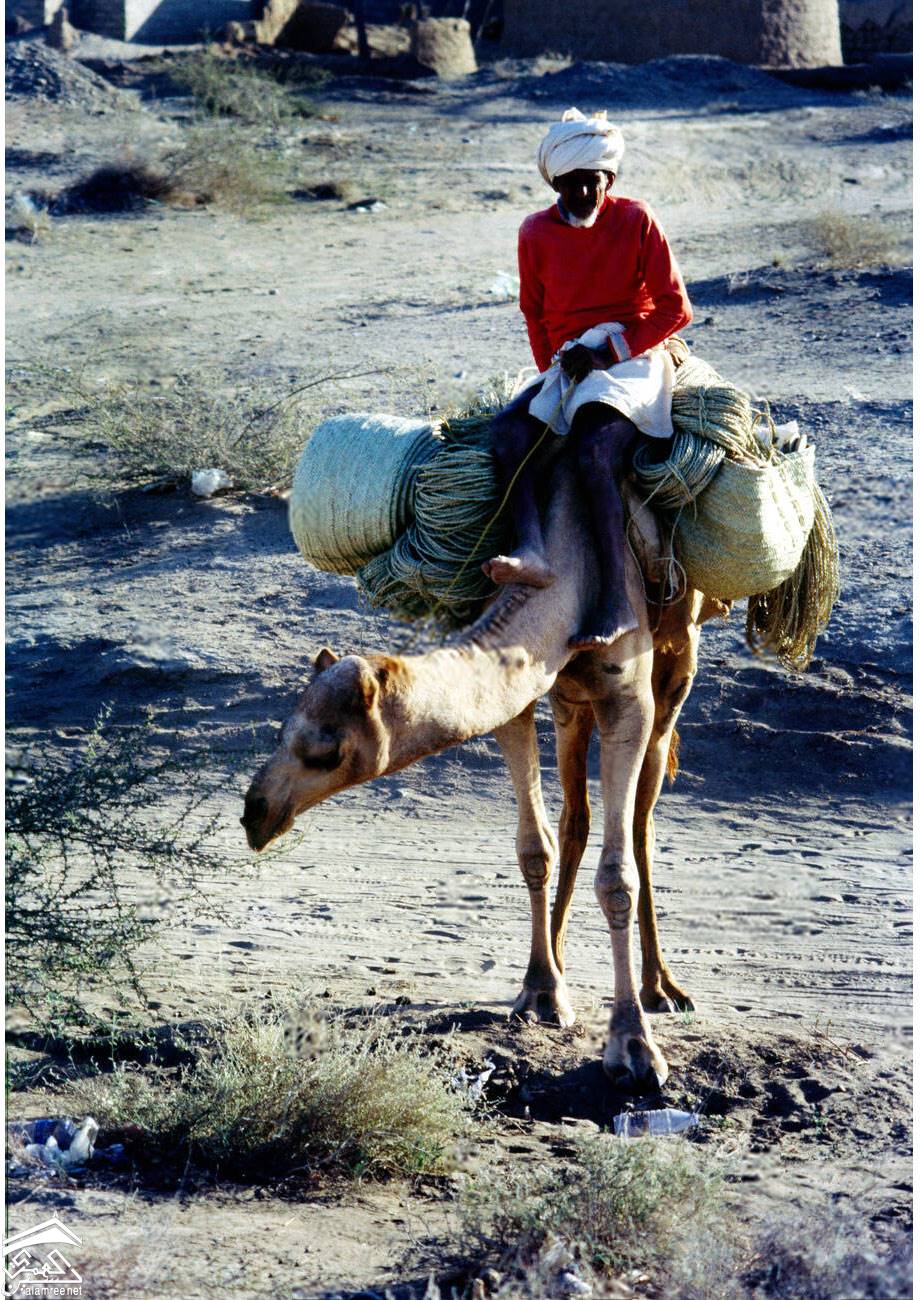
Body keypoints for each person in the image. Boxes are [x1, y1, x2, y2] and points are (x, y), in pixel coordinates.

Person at [482, 108, 693, 649]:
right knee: (508, 433)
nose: (581, 194)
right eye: (570, 183)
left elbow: (675, 309)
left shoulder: (637, 219)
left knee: (593, 450)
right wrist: (552, 369)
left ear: (609, 180)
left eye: (591, 182)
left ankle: (616, 603)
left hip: (630, 354)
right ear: (554, 183)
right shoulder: (535, 231)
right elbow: (534, 312)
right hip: (570, 361)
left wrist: (608, 352)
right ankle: (531, 550)